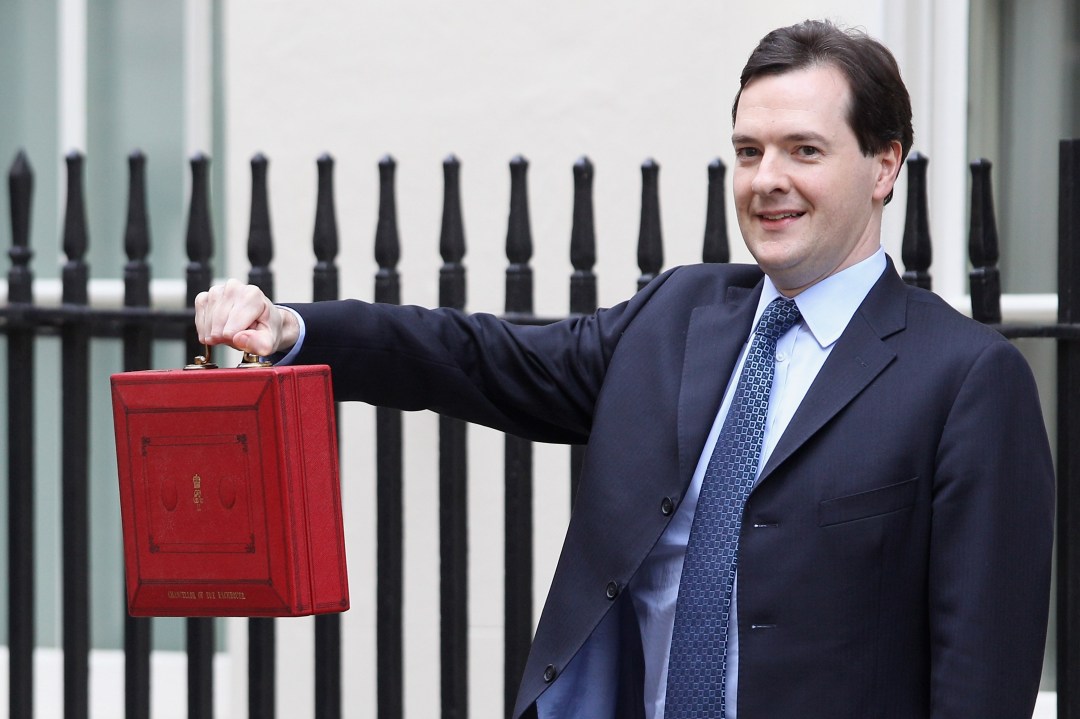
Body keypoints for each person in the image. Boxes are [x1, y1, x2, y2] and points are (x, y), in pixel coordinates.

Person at [196, 19, 1054, 719]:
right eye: (748, 151)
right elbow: (480, 358)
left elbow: (981, 677)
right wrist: (296, 328)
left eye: (804, 150)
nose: (767, 180)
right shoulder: (676, 316)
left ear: (884, 166)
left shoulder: (967, 381)